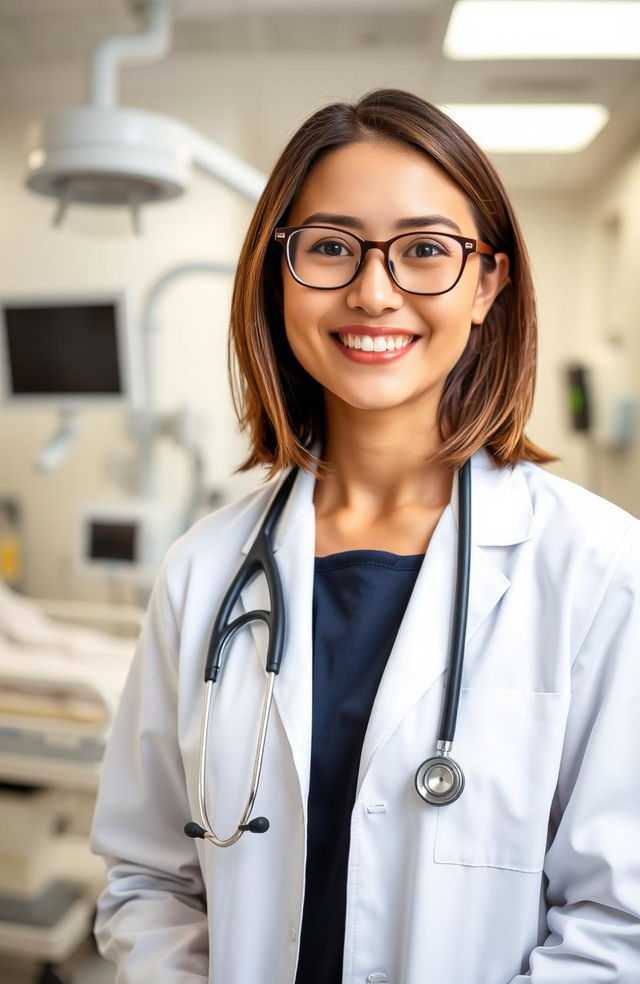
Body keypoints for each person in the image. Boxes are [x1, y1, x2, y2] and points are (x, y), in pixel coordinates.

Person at [90, 89, 640, 983]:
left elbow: (619, 922)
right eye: (331, 248)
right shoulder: (203, 571)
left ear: (488, 284)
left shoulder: (600, 569)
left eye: (425, 250)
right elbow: (150, 877)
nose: (373, 291)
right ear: (280, 271)